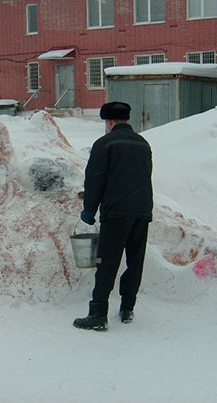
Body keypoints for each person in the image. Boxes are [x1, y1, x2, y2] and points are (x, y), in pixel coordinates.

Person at [73, 101, 153, 331]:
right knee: (135, 260)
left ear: (108, 121)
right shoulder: (143, 143)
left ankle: (98, 314)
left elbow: (95, 179)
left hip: (116, 212)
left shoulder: (104, 143)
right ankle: (128, 308)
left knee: (106, 262)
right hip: (142, 210)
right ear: (126, 119)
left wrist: (89, 210)